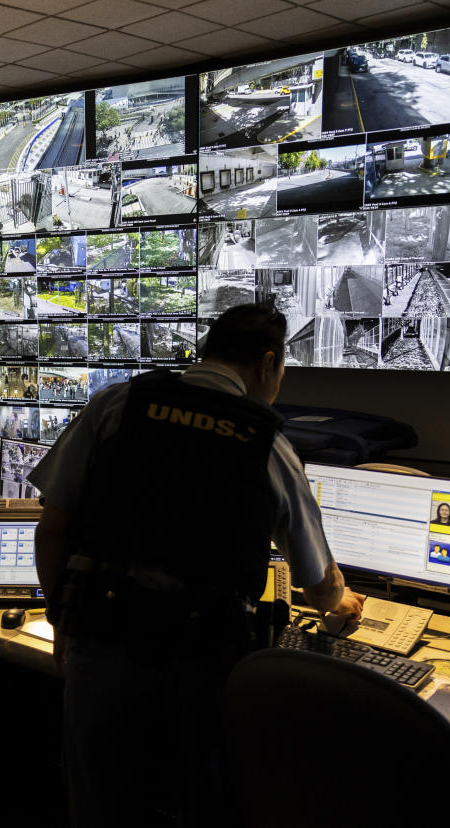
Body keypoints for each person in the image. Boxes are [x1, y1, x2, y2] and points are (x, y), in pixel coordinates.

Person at [29, 302, 364, 827]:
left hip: (102, 645)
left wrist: (63, 622)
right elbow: (317, 582)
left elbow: (51, 532)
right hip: (201, 666)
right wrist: (338, 599)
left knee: (99, 809)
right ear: (267, 363)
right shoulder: (268, 444)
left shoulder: (118, 405)